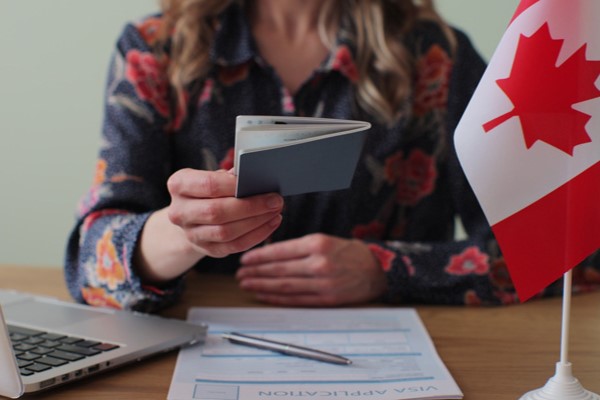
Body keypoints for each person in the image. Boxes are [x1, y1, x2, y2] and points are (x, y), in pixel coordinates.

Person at [64, 0, 600, 312]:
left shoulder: (437, 55)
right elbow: (89, 262)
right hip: (201, 351)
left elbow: (563, 251)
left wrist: (386, 270)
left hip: (405, 357)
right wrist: (182, 232)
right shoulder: (156, 48)